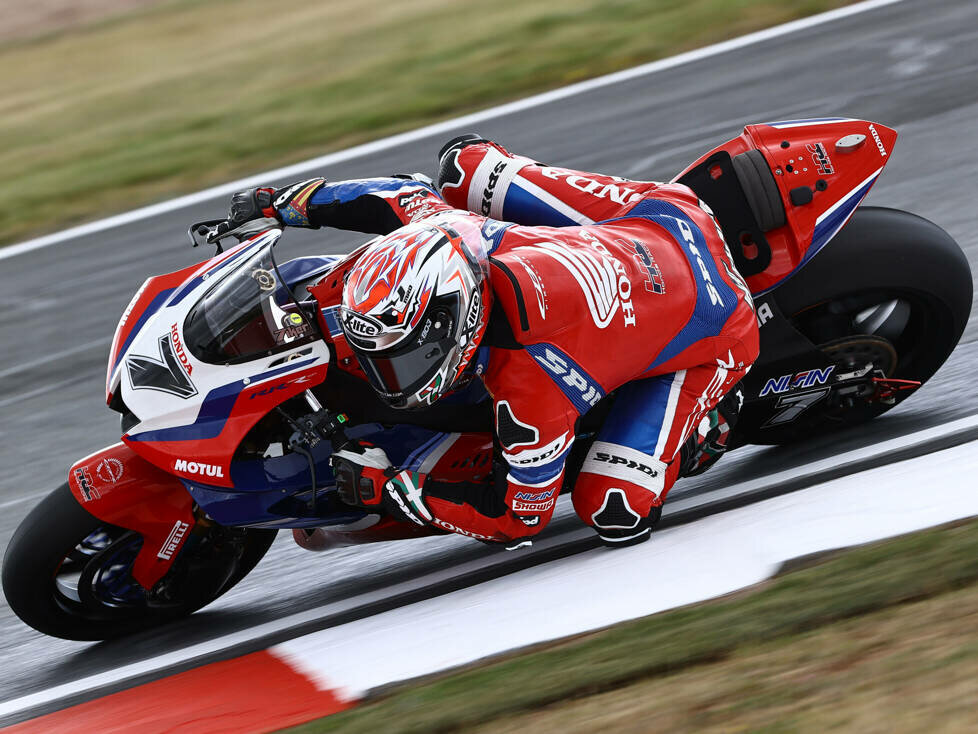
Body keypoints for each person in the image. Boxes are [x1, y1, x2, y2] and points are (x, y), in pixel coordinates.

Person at [226, 134, 759, 547]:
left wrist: (392, 488)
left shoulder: (534, 390)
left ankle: (708, 426)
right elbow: (397, 193)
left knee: (614, 510)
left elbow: (518, 519)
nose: (384, 375)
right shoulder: (455, 234)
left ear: (454, 327)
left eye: (401, 359)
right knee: (463, 164)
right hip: (664, 217)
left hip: (717, 324)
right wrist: (283, 204)